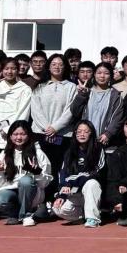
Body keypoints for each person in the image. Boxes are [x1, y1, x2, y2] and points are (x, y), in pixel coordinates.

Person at [0, 120, 52, 226]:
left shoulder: (38, 153)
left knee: (25, 180)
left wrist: (36, 172)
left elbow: (45, 183)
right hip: (11, 190)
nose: (19, 137)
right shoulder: (4, 154)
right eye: (15, 134)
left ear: (29, 135)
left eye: (23, 134)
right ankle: (15, 213)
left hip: (31, 192)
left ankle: (26, 215)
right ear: (10, 136)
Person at [30, 53, 77, 181]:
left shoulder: (72, 87)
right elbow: (35, 110)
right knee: (42, 167)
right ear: (48, 67)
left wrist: (55, 128)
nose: (57, 67)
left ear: (65, 67)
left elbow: (71, 110)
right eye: (54, 64)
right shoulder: (39, 86)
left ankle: (57, 192)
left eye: (61, 64)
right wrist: (47, 128)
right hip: (41, 133)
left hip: (63, 134)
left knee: (59, 168)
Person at [51, 120, 105, 227]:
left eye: (85, 131)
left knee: (91, 183)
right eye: (79, 131)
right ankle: (82, 215)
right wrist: (62, 194)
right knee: (57, 208)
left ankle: (93, 218)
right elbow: (63, 173)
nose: (82, 134)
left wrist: (71, 182)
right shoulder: (69, 152)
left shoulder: (98, 149)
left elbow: (95, 173)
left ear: (91, 133)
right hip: (75, 191)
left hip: (91, 190)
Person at [0, 57, 33, 160]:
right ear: (2, 70)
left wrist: (9, 130)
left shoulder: (25, 89)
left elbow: (23, 113)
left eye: (13, 68)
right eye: (6, 69)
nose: (9, 72)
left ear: (18, 70)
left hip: (12, 139)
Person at [70, 62, 123, 151]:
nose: (102, 76)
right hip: (84, 141)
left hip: (104, 141)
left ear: (111, 76)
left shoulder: (115, 96)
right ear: (94, 75)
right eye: (99, 73)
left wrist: (108, 133)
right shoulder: (87, 92)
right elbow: (74, 111)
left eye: (106, 73)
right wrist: (82, 95)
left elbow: (117, 118)